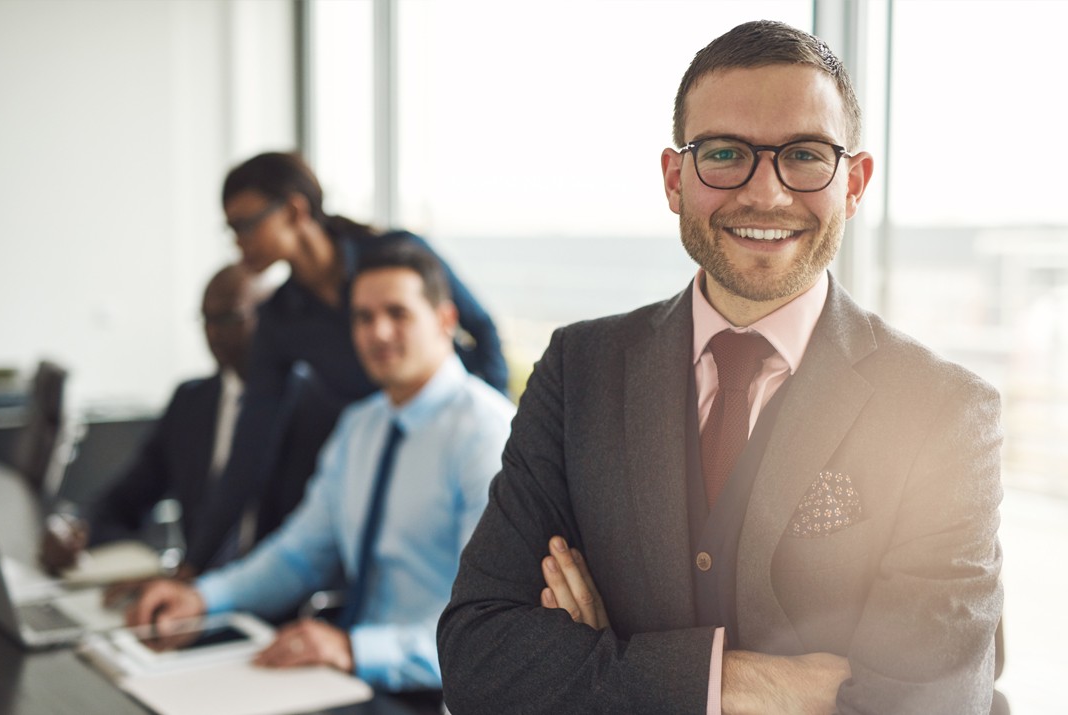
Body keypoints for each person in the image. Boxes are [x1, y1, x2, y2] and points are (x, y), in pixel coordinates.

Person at [437, 20, 1003, 715]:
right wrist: (745, 684)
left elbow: (931, 703)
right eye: (726, 153)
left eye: (803, 155)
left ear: (854, 184)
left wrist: (607, 658)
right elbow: (480, 658)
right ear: (675, 179)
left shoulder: (945, 410)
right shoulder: (577, 371)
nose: (765, 193)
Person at [127, 241, 515, 697]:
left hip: (438, 691)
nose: (378, 333)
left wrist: (354, 649)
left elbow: (495, 627)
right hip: (348, 680)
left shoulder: (488, 438)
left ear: (445, 320)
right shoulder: (360, 427)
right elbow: (298, 555)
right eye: (363, 317)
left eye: (398, 313)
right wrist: (202, 599)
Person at [186, 151, 508, 571]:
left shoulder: (395, 255)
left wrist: (498, 433)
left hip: (449, 451)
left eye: (245, 225)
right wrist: (193, 566)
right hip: (375, 466)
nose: (237, 241)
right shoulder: (280, 318)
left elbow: (481, 329)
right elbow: (251, 445)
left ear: (294, 210)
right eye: (230, 229)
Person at [39, 264, 270, 576]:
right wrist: (76, 530)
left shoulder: (302, 405)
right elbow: (128, 495)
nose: (214, 333)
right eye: (206, 319)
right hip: (191, 593)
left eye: (229, 318)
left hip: (267, 599)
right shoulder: (191, 402)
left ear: (271, 319)